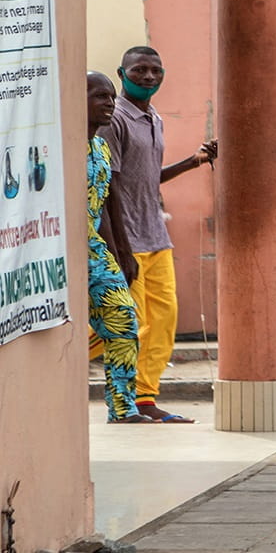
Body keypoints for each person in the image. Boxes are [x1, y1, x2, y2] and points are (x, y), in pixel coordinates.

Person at [91, 45, 214, 424]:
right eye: (139, 70)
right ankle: (121, 400)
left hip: (156, 235)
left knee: (163, 321)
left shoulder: (153, 117)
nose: (148, 77)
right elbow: (108, 185)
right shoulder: (113, 118)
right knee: (131, 324)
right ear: (122, 73)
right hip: (126, 240)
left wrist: (193, 162)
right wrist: (121, 248)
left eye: (155, 71)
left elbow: (147, 178)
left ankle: (145, 397)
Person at [84, 72, 149, 423]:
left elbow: (107, 203)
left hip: (94, 250)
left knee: (124, 319)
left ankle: (123, 408)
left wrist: (119, 252)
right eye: (99, 96)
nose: (109, 103)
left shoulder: (101, 148)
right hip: (60, 249)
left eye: (111, 96)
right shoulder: (60, 147)